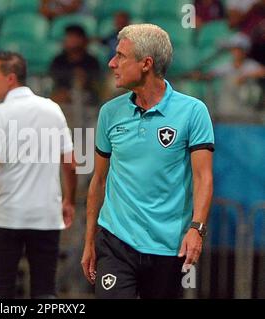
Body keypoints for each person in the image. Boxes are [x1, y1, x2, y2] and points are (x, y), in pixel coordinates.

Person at [81, 24, 215, 299]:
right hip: (115, 242)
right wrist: (89, 241)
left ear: (146, 63)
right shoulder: (109, 112)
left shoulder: (193, 111)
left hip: (168, 247)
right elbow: (99, 179)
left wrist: (197, 229)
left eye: (120, 56)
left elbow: (203, 178)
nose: (112, 63)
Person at [0, 52, 77, 299]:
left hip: (6, 217)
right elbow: (71, 164)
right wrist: (69, 200)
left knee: (3, 291)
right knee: (45, 292)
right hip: (46, 216)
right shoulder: (53, 110)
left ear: (10, 79)